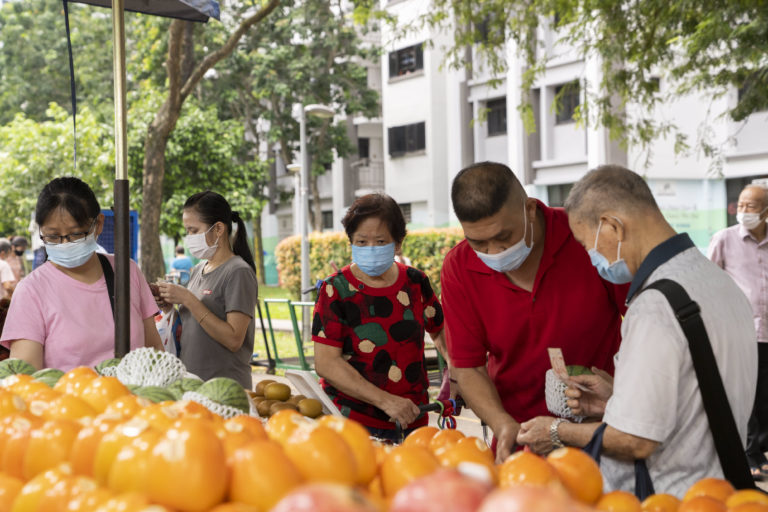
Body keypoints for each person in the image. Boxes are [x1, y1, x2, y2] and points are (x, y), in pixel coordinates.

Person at [516, 165, 757, 497]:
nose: (591, 258)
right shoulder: (716, 282)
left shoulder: (656, 305)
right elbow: (698, 398)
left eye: (588, 245)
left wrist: (556, 431)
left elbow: (636, 440)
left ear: (612, 226)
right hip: (718, 490)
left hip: (666, 497)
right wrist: (617, 400)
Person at [441, 161, 626, 462]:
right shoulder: (459, 268)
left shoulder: (585, 234)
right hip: (522, 442)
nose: (493, 251)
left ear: (529, 209)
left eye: (504, 237)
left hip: (605, 433)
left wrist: (623, 395)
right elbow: (468, 366)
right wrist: (502, 424)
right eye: (478, 242)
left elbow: (642, 320)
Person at [312, 193, 447, 440]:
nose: (370, 249)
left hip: (414, 420)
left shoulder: (415, 282)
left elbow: (439, 331)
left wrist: (458, 374)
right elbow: (326, 363)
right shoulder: (335, 290)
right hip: (353, 424)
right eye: (361, 242)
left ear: (398, 243)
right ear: (351, 242)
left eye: (380, 241)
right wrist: (386, 401)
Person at [0, 177, 163, 371]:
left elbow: (155, 354)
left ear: (98, 224)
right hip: (66, 401)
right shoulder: (31, 291)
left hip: (135, 399)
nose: (65, 243)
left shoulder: (127, 272)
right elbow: (26, 380)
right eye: (53, 236)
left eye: (76, 234)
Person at [158, 191, 258, 389]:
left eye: (194, 231)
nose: (189, 238)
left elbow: (233, 339)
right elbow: (194, 326)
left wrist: (188, 299)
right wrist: (170, 307)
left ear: (218, 228)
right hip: (193, 385)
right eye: (187, 231)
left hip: (225, 388)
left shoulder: (238, 272)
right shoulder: (197, 270)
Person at [707, 183, 768, 480]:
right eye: (741, 205)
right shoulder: (724, 239)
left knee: (765, 396)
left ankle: (761, 451)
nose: (743, 211)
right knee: (748, 396)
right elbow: (708, 283)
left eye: (751, 206)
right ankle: (750, 456)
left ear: (766, 211)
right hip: (742, 331)